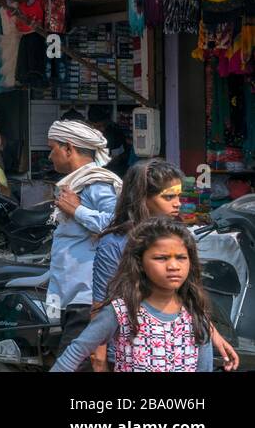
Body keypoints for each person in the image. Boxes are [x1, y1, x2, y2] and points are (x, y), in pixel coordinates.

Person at [91, 159, 238, 371]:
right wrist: (99, 360)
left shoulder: (179, 236)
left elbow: (190, 295)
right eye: (169, 197)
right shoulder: (115, 243)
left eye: (179, 196)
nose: (177, 203)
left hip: (190, 344)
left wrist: (214, 335)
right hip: (137, 350)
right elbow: (101, 306)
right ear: (142, 199)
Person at [52, 218, 230, 372]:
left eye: (181, 258)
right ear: (140, 262)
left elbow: (203, 367)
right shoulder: (122, 310)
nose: (174, 266)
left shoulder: (195, 313)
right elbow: (76, 352)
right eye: (161, 258)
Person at [46, 119, 122, 370]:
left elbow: (117, 225)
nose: (49, 156)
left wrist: (78, 211)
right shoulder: (78, 182)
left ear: (68, 148)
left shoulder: (97, 183)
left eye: (53, 148)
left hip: (87, 296)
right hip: (72, 295)